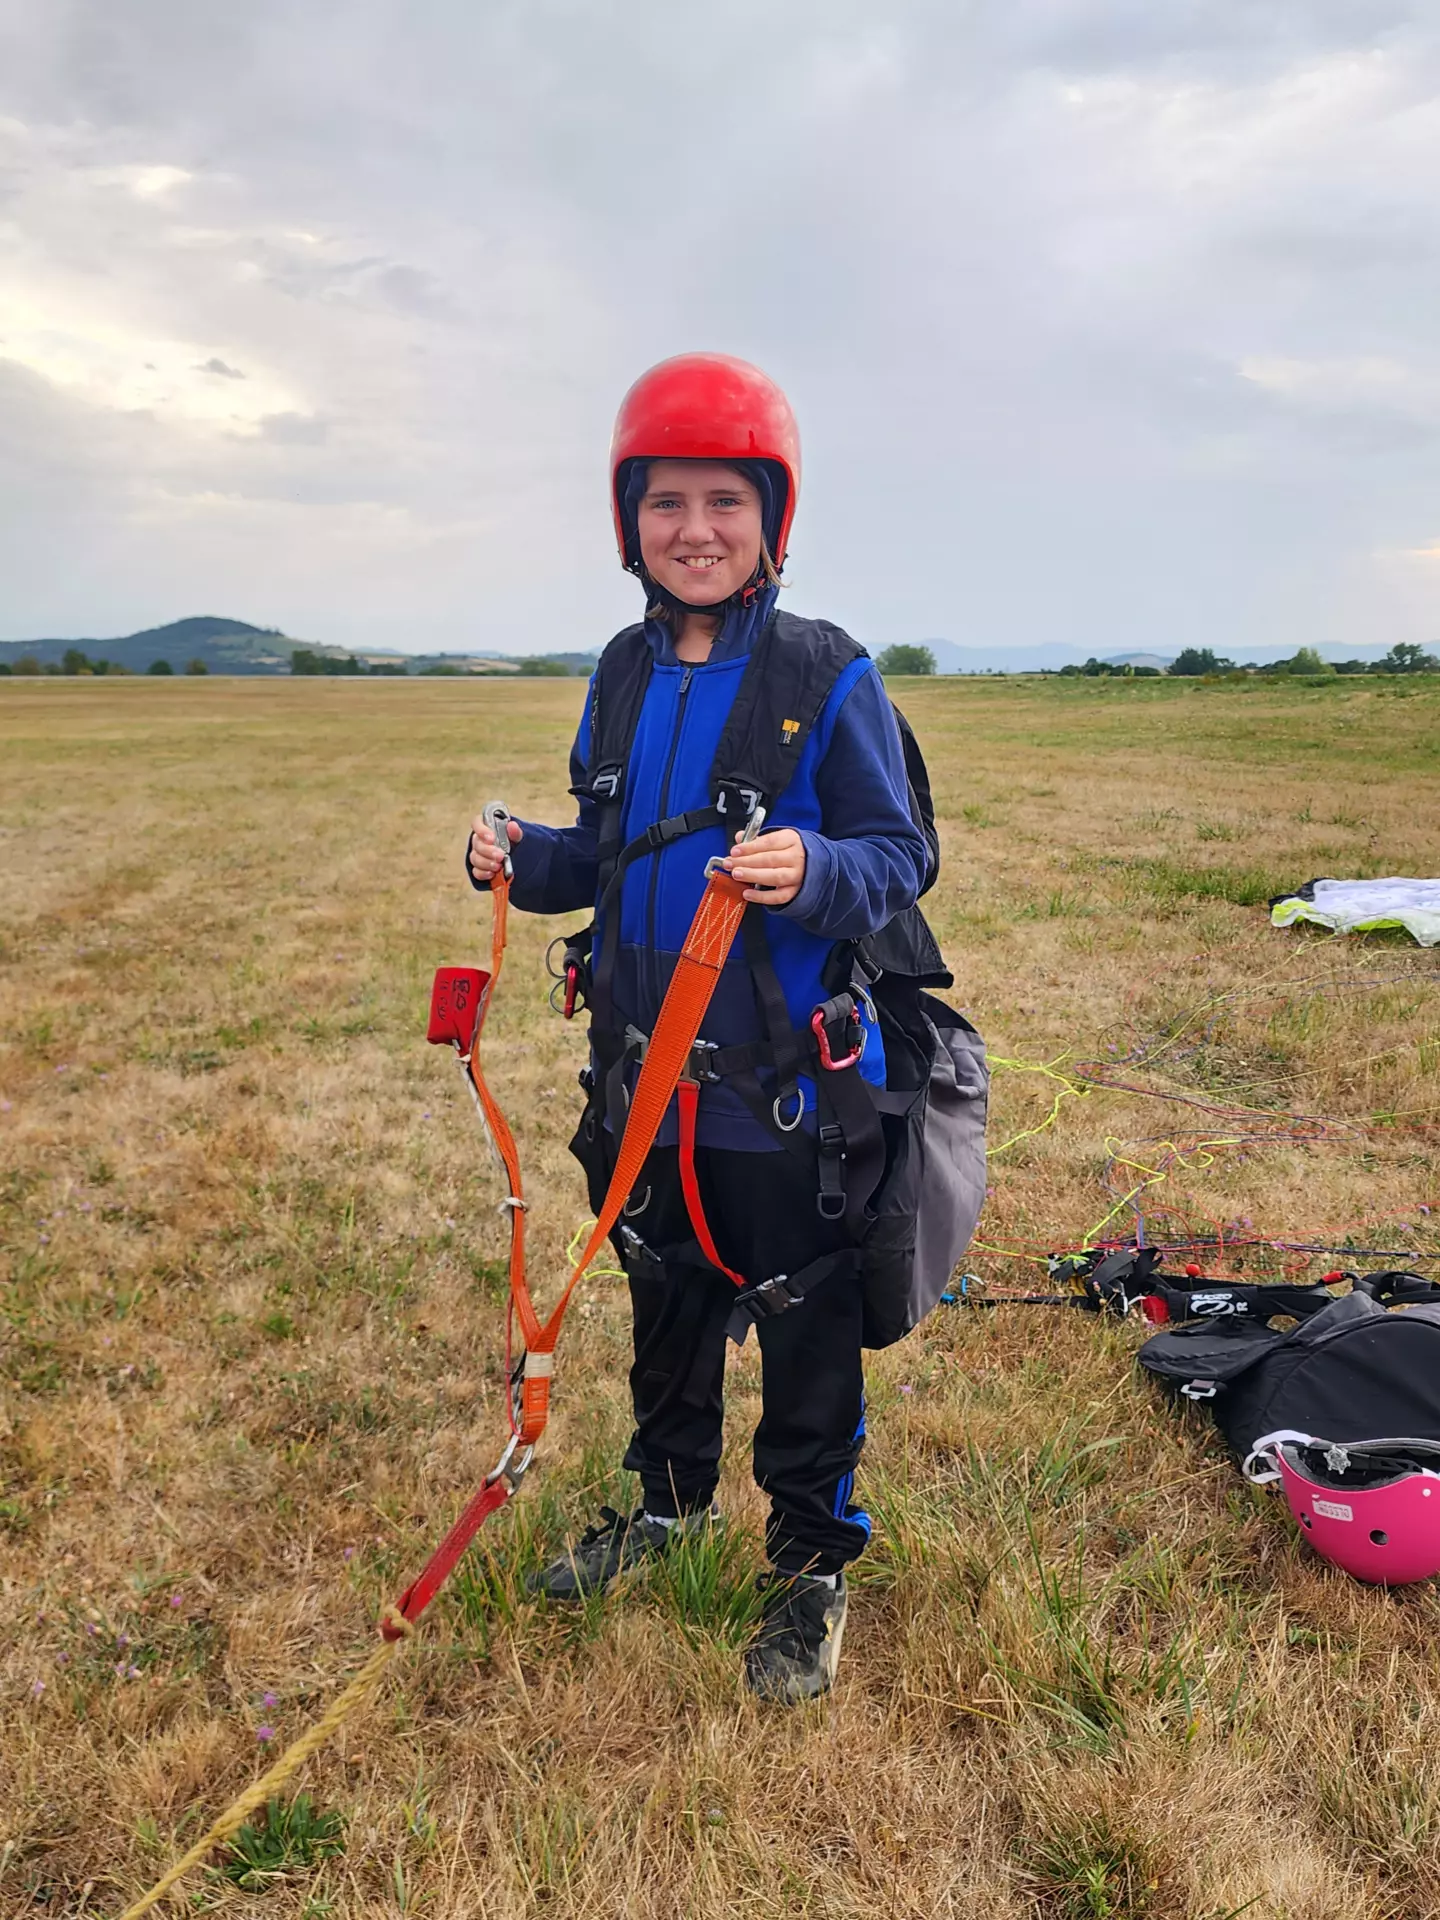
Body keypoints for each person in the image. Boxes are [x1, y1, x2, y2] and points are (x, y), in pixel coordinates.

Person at [466, 353, 928, 1702]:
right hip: (640, 1083)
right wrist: (518, 854)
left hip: (777, 1086)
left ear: (769, 516)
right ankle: (665, 1506)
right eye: (667, 502)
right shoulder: (618, 670)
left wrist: (817, 872)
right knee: (662, 1295)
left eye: (725, 499)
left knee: (800, 1323)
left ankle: (810, 1570)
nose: (695, 530)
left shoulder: (826, 673)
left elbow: (901, 853)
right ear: (631, 522)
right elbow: (609, 850)